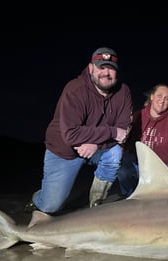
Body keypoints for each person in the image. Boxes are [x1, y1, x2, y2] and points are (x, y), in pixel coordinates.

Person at [24, 47, 133, 214]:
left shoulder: (123, 92)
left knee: (115, 153)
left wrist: (96, 145)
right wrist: (111, 132)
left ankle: (96, 203)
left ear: (117, 72)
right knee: (50, 206)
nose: (106, 73)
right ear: (91, 68)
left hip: (97, 148)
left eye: (111, 68)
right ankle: (39, 198)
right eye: (101, 67)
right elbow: (71, 134)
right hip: (64, 151)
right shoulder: (75, 89)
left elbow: (123, 132)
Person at [117, 83, 168, 197]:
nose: (162, 101)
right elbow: (123, 142)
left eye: (166, 98)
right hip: (140, 166)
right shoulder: (137, 116)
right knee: (121, 169)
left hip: (164, 167)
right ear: (152, 97)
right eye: (159, 96)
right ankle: (130, 197)